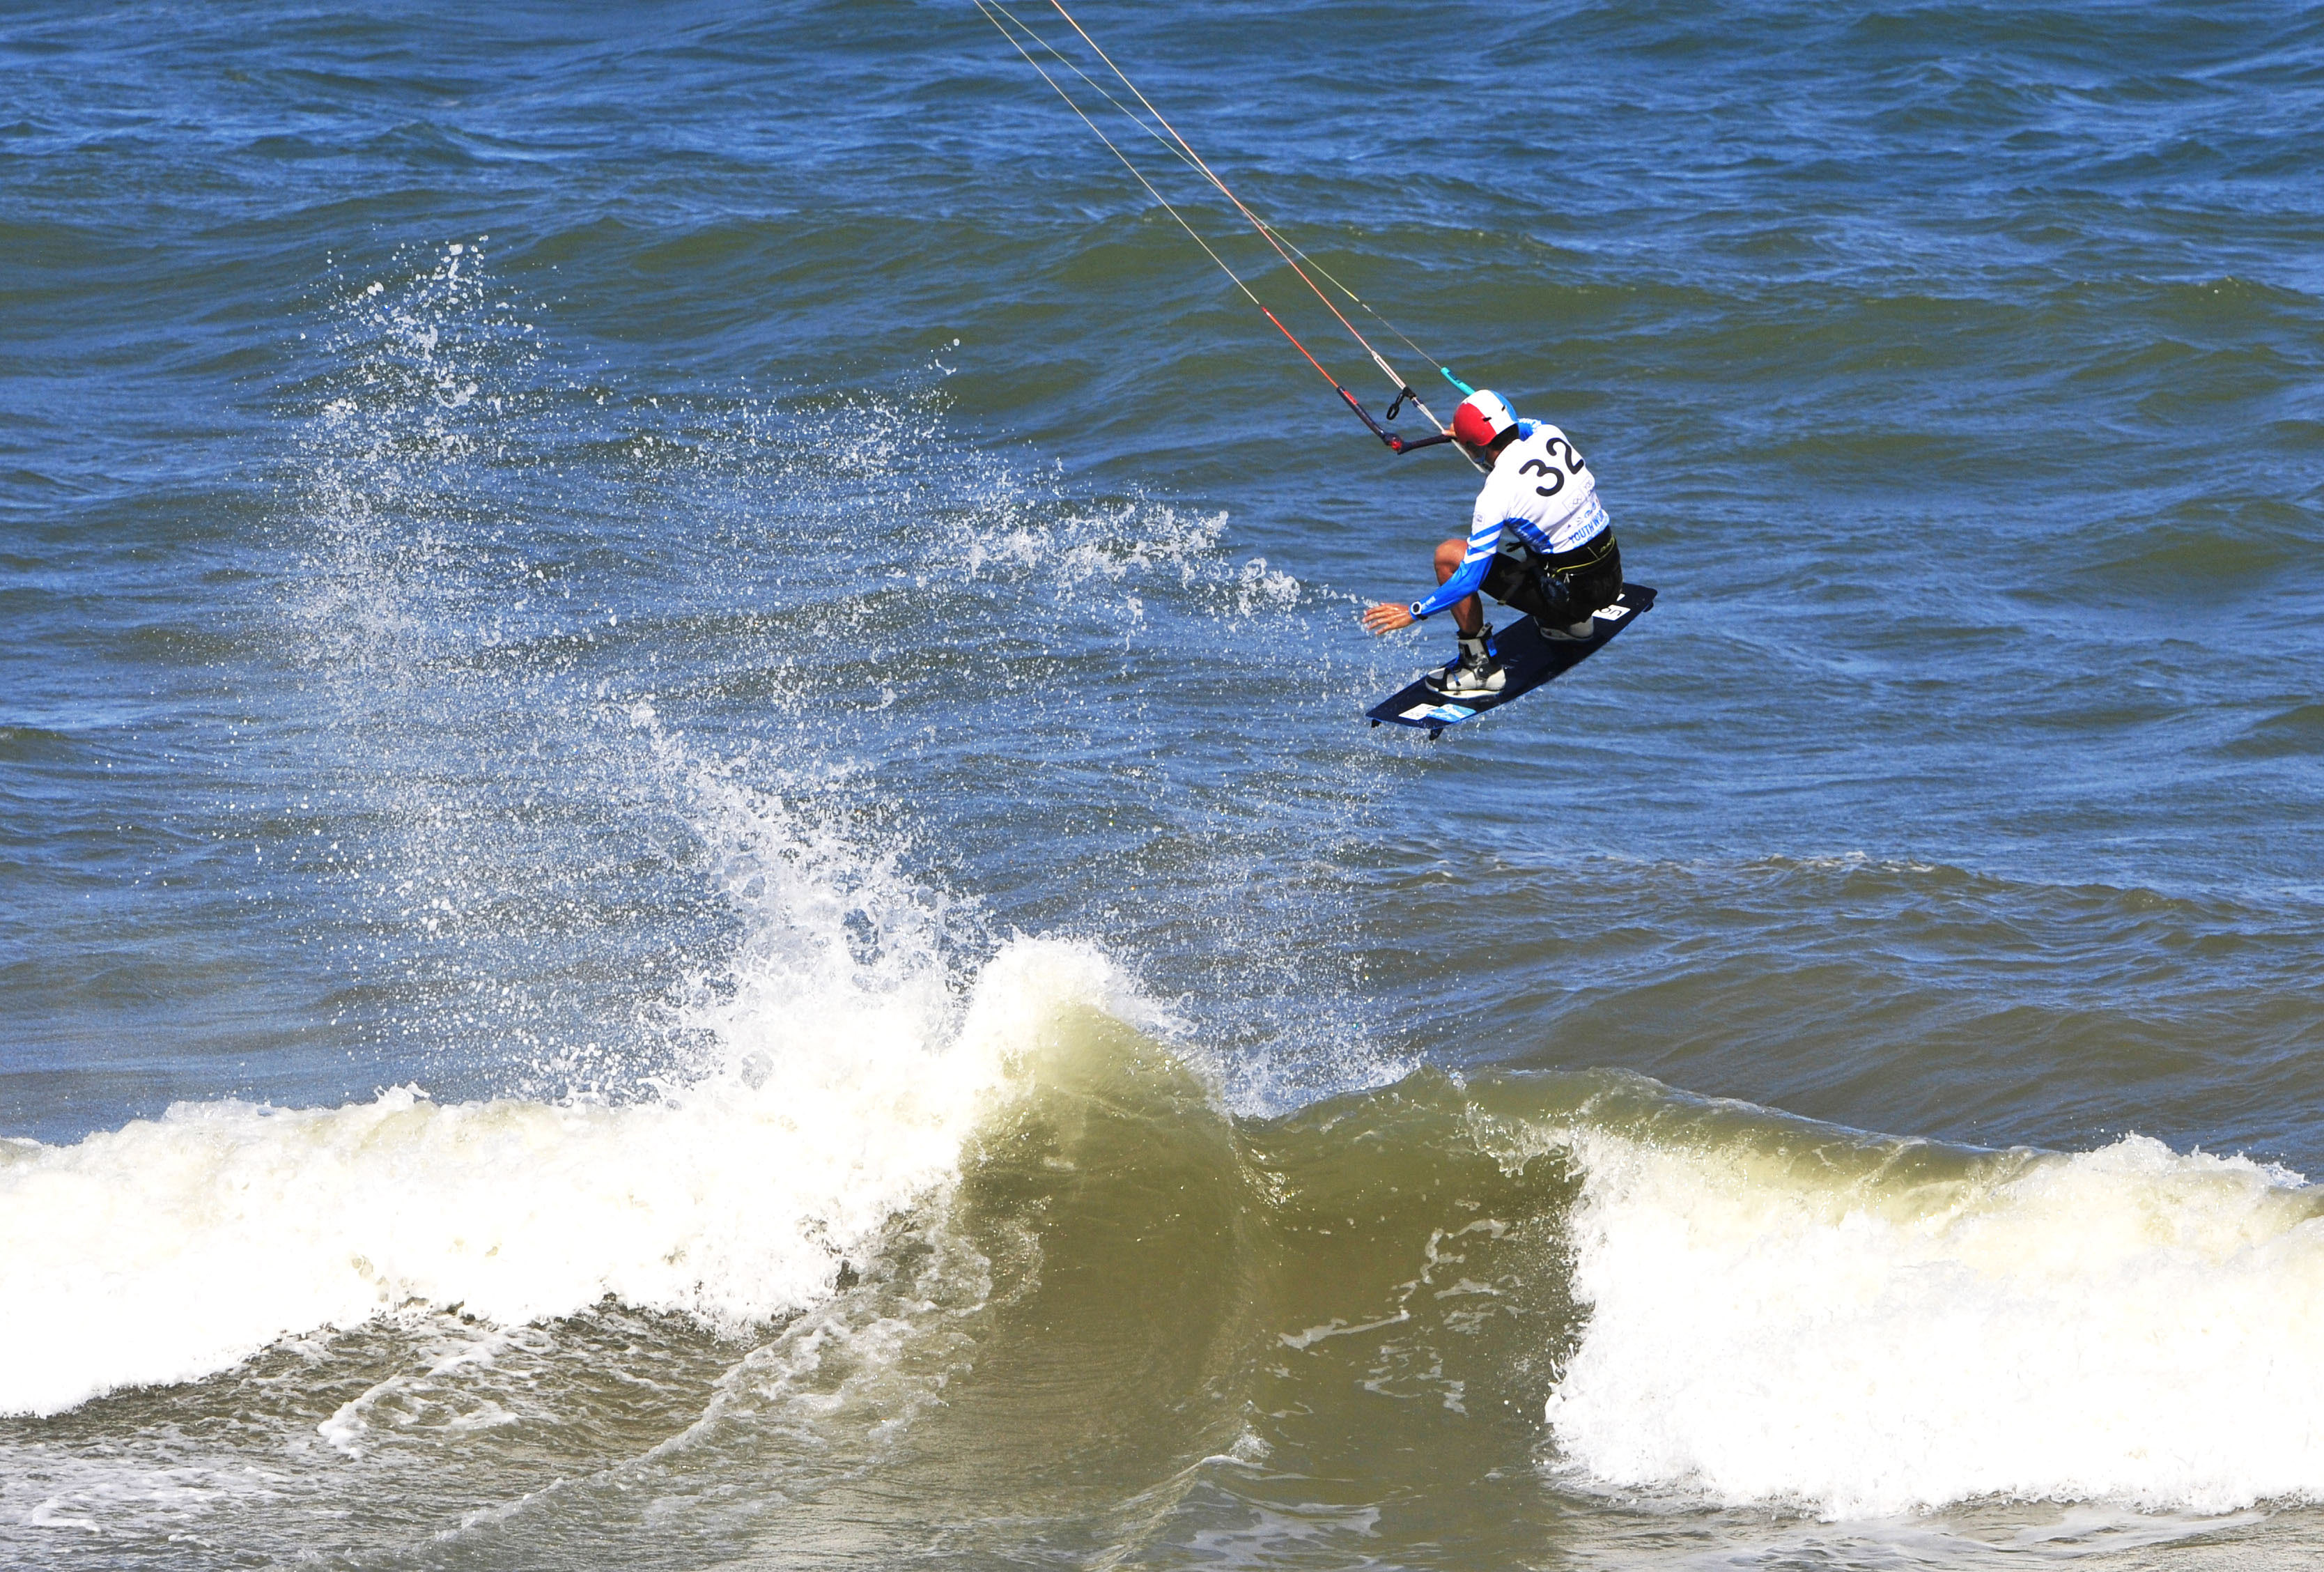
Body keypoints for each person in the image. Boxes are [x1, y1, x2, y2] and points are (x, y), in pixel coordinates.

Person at [1358, 389, 1624, 699]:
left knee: (1449, 557)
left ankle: (1479, 668)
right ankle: (1574, 628)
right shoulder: (1550, 434)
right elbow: (1523, 425)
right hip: (1612, 577)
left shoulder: (1496, 492)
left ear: (1472, 447)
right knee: (1546, 524)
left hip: (1570, 599)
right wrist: (1474, 433)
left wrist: (1415, 612)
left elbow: (1470, 576)